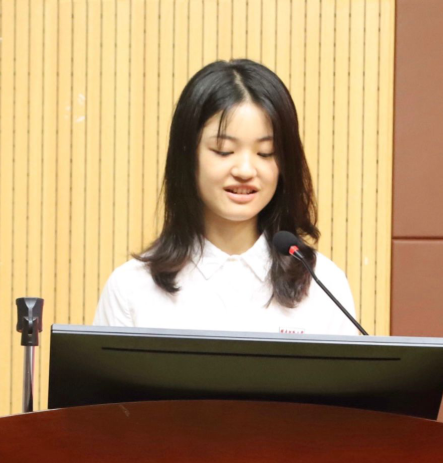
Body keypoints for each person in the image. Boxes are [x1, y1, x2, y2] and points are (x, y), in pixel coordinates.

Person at [93, 59, 360, 336]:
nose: (245, 170)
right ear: (187, 157)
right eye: (223, 151)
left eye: (266, 153)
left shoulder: (325, 288)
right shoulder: (132, 289)